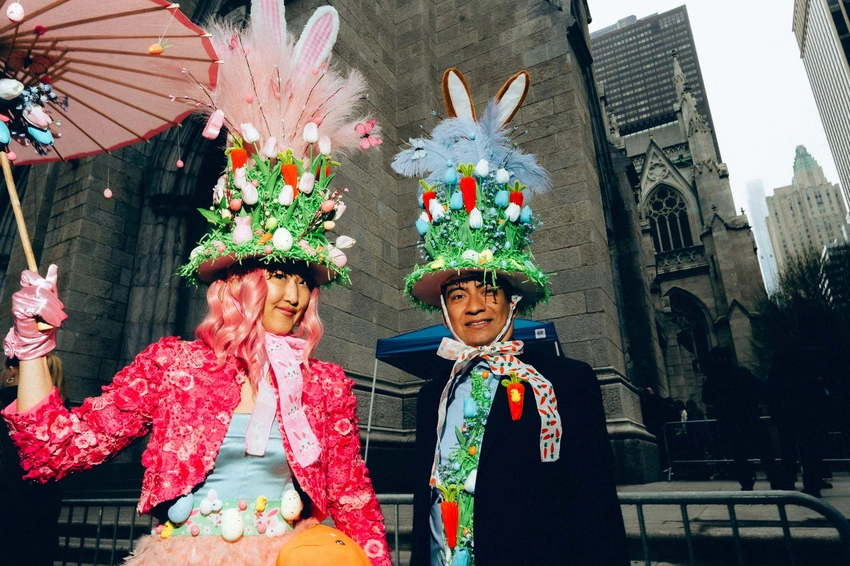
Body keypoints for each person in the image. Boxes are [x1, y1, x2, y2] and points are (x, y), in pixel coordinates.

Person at [1, 3, 391, 564]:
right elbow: (53, 449)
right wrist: (35, 345)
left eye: (305, 279)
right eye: (278, 274)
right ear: (237, 281)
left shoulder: (324, 387)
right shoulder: (174, 368)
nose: (295, 295)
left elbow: (356, 505)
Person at [392, 67, 628, 565]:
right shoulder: (434, 392)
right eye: (457, 295)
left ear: (512, 300)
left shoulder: (568, 383)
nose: (474, 305)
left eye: (488, 290)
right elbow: (424, 512)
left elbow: (596, 515)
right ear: (445, 308)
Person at [0, 355, 63, 566]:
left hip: (10, 510)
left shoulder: (4, 404)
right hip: (43, 513)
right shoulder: (62, 412)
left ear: (12, 371)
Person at [701, 346, 778, 491]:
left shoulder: (715, 377)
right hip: (746, 417)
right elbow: (759, 389)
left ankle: (749, 481)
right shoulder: (740, 373)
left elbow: (707, 398)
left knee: (741, 453)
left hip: (734, 419)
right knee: (760, 450)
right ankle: (772, 479)